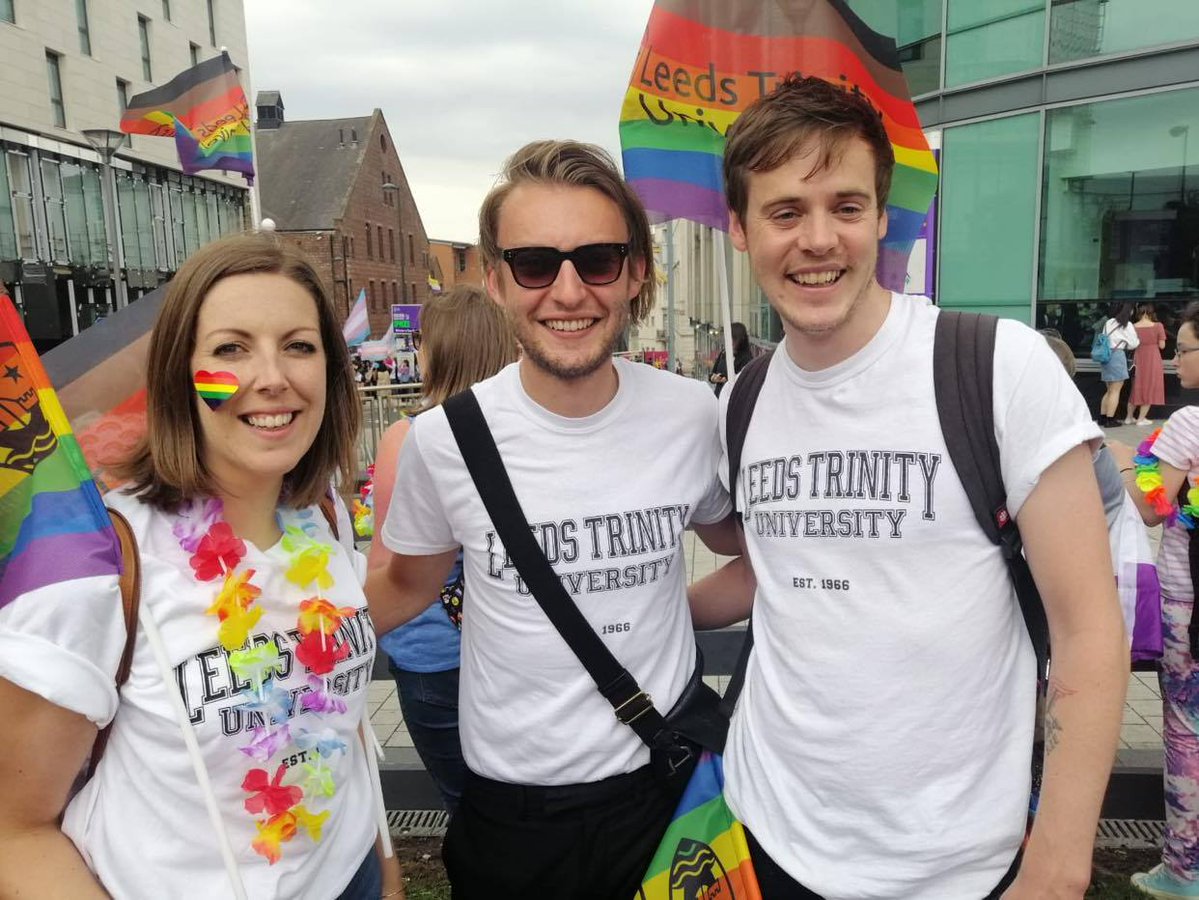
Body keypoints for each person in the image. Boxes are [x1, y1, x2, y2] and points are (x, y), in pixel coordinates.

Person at [701, 73, 1128, 898]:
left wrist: (1059, 862)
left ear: (881, 218)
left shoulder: (996, 367)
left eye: (846, 207)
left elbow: (1087, 629)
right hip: (765, 832)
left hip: (953, 862)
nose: (817, 239)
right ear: (739, 229)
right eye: (785, 211)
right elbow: (774, 572)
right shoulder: (740, 403)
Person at [366, 139, 736, 900]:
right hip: (516, 812)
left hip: (664, 782)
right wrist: (261, 645)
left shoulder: (690, 415)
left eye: (597, 259)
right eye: (535, 264)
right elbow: (400, 589)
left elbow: (759, 552)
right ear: (498, 281)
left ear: (636, 274)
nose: (567, 291)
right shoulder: (444, 441)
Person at [0, 234, 403, 899]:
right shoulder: (101, 567)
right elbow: (16, 832)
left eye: (299, 346)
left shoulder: (323, 515)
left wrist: (384, 876)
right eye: (230, 349)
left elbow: (339, 713)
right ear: (179, 374)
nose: (272, 376)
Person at [368, 284, 519, 815]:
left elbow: (386, 565)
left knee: (467, 807)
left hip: (436, 657)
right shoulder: (525, 436)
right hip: (516, 654)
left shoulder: (410, 437)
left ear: (443, 350)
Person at [1111, 301, 1199, 898]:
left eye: (1186, 349)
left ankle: (1183, 869)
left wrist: (1127, 465)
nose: (1175, 359)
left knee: (1187, 730)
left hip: (1189, 605)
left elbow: (1154, 506)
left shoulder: (1190, 422)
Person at [1098, 302, 1141, 426]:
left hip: (1106, 356)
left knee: (1109, 390)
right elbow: (1133, 343)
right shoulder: (1127, 325)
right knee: (1116, 390)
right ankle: (1110, 420)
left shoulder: (1109, 322)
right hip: (1117, 355)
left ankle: (1102, 417)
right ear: (1129, 311)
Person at [1126, 303, 1167, 426]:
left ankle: (1129, 418)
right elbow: (1162, 346)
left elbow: (1130, 344)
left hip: (1138, 358)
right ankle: (1141, 419)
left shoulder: (1133, 326)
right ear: (1151, 313)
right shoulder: (1158, 326)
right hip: (1153, 358)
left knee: (1136, 387)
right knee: (1150, 387)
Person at [708, 321, 753, 397]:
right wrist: (714, 378)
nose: (730, 342)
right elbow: (713, 372)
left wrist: (727, 380)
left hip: (733, 398)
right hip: (719, 396)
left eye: (733, 339)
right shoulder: (724, 353)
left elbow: (744, 382)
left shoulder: (747, 359)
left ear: (741, 340)